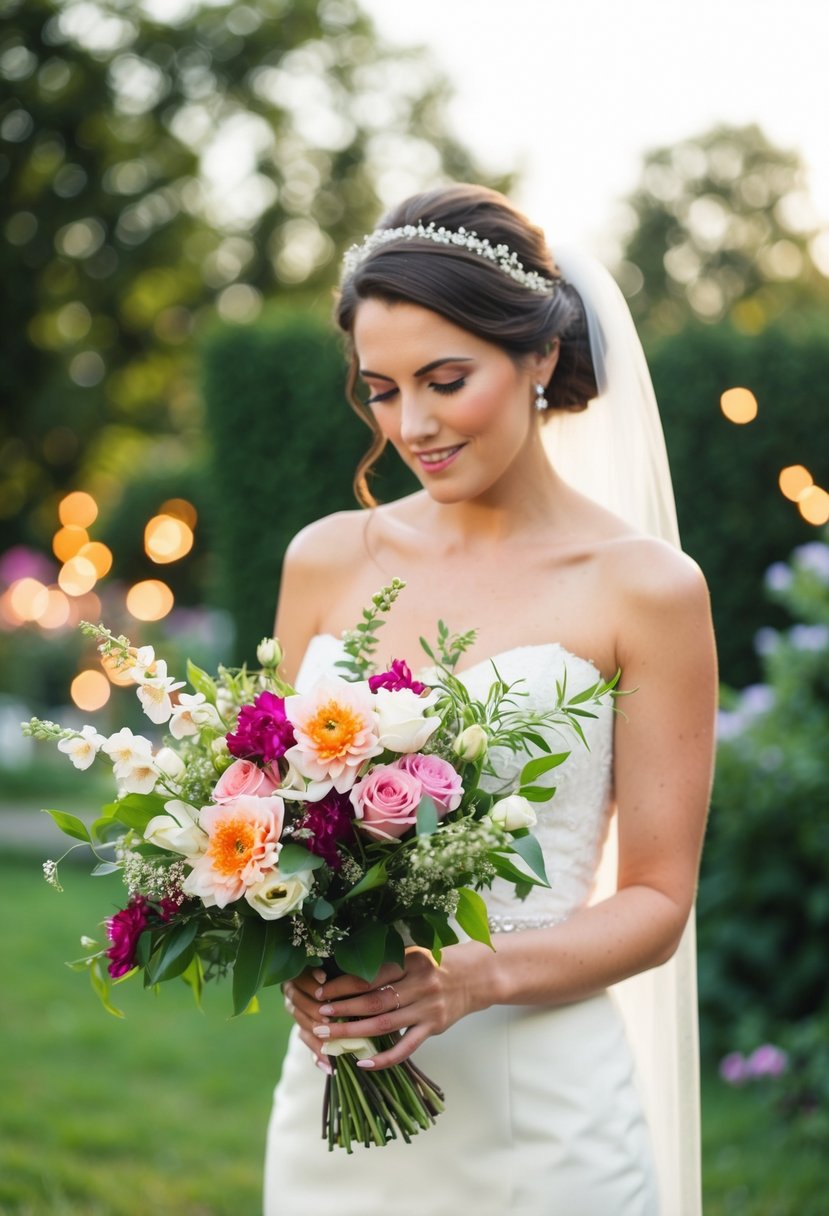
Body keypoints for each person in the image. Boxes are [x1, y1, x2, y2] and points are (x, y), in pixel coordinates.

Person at [263, 183, 717, 1215]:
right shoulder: (325, 559)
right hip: (336, 1098)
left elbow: (655, 903)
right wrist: (291, 932)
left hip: (540, 1118)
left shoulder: (644, 586)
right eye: (380, 389)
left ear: (540, 357)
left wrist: (471, 976)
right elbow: (270, 803)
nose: (412, 423)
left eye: (446, 378)